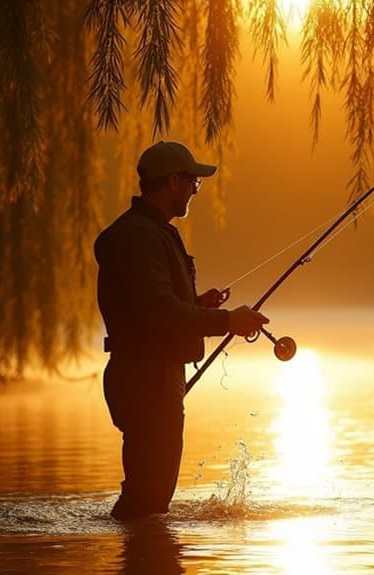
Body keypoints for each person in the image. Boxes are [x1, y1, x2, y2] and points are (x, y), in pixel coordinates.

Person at [94, 140, 268, 521]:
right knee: (149, 497)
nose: (195, 189)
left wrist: (198, 304)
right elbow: (158, 312)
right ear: (173, 181)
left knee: (151, 494)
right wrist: (227, 322)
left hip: (152, 374)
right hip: (147, 377)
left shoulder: (150, 232)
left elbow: (150, 305)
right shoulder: (140, 236)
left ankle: (138, 557)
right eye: (193, 182)